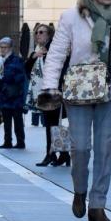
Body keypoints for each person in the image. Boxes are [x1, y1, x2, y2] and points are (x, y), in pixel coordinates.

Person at [41, 0, 111, 221]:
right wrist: (50, 87)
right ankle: (80, 190)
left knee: (105, 149)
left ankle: (98, 204)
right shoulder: (71, 17)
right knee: (80, 147)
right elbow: (56, 55)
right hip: (79, 90)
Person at [27, 23, 69, 167]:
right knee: (51, 124)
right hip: (43, 92)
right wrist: (33, 57)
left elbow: (63, 66)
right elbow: (26, 70)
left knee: (53, 124)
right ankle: (63, 154)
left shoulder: (53, 49)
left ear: (49, 34)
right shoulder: (38, 50)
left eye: (41, 32)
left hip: (54, 91)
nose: (38, 35)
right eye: (36, 33)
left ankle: (51, 154)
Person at [0, 37, 26, 149]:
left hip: (14, 94)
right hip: (5, 94)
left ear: (10, 48)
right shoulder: (0, 59)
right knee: (7, 120)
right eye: (1, 47)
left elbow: (18, 76)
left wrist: (4, 75)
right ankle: (7, 141)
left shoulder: (16, 59)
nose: (3, 49)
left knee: (17, 120)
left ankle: (20, 141)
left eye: (5, 47)